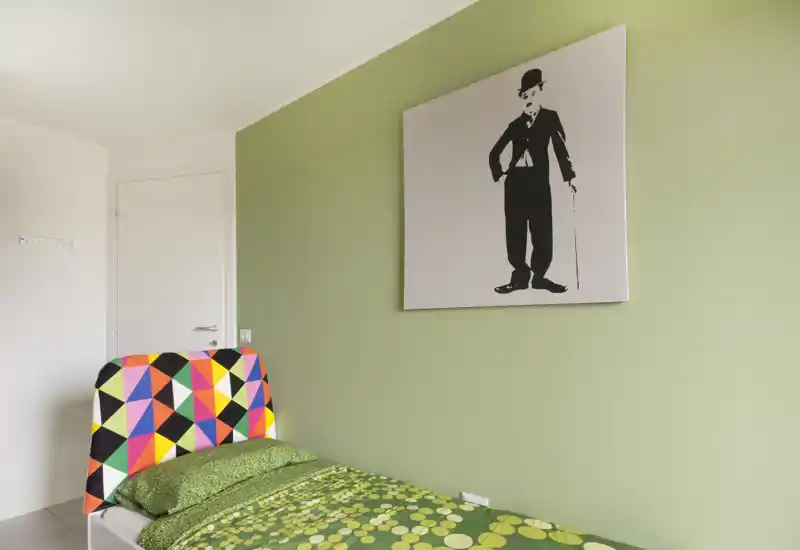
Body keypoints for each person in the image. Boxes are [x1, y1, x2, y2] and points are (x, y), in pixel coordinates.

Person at [488, 68, 577, 295]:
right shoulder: (515, 124)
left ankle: (539, 277)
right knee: (515, 231)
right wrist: (500, 175)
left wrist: (569, 178)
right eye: (524, 96)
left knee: (541, 230)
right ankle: (518, 279)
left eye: (532, 94)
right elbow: (494, 152)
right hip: (515, 183)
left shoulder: (550, 117)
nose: (528, 99)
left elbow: (560, 149)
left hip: (538, 183)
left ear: (540, 92)